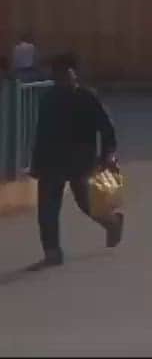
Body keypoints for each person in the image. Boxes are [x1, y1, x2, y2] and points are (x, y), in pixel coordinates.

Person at [28, 54, 124, 269]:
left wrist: (108, 154)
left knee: (87, 204)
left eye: (66, 74)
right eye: (58, 75)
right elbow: (41, 133)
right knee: (47, 210)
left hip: (80, 162)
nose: (63, 79)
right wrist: (36, 164)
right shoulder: (49, 99)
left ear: (74, 74)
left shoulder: (88, 97)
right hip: (51, 162)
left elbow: (107, 129)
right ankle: (52, 253)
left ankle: (112, 222)